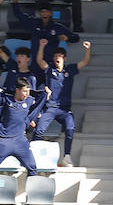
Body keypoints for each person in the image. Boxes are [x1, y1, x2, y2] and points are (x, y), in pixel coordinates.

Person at [0, 79, 48, 189]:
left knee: (33, 168)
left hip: (21, 142)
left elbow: (43, 96)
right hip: (4, 141)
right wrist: (4, 89)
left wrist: (37, 92)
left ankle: (31, 196)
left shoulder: (29, 100)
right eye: (24, 91)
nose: (27, 94)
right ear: (17, 90)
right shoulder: (6, 100)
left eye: (28, 91)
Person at [35, 39, 91, 167]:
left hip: (65, 109)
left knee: (70, 128)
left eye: (59, 56)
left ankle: (66, 157)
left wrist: (87, 49)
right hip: (50, 108)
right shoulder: (49, 69)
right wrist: (41, 46)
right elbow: (39, 61)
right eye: (55, 56)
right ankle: (33, 155)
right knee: (39, 131)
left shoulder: (70, 69)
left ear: (64, 58)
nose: (57, 58)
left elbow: (85, 62)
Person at [11, 0, 78, 65]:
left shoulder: (57, 27)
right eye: (42, 12)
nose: (44, 14)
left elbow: (75, 38)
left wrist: (67, 38)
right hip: (35, 63)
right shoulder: (34, 23)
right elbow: (18, 14)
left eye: (47, 12)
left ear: (51, 13)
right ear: (40, 13)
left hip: (50, 64)